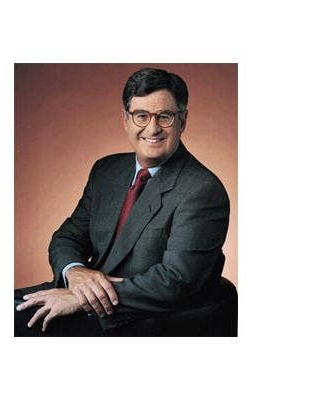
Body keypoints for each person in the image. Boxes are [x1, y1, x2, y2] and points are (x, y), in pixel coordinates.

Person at [15, 67, 231, 336]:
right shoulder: (106, 170)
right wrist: (75, 272)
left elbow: (177, 281)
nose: (152, 128)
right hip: (80, 295)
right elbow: (67, 237)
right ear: (126, 120)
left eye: (164, 116)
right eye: (141, 116)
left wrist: (82, 297)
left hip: (131, 316)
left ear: (182, 121)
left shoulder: (201, 190)